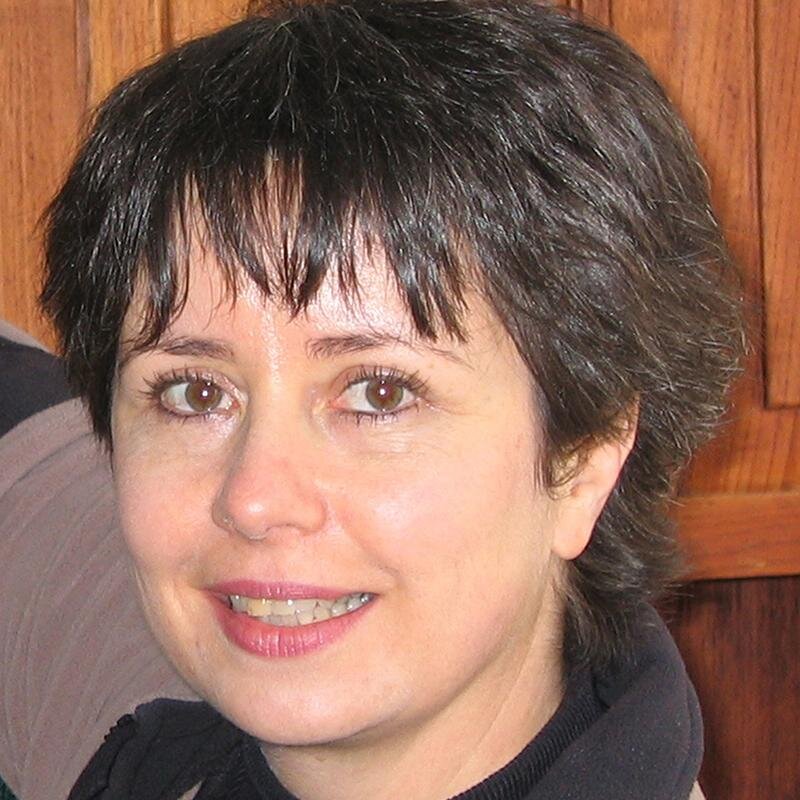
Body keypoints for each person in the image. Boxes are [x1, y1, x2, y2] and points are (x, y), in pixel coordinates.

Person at [10, 1, 745, 797]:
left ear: (583, 459)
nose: (255, 499)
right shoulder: (146, 766)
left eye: (379, 392)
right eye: (195, 393)